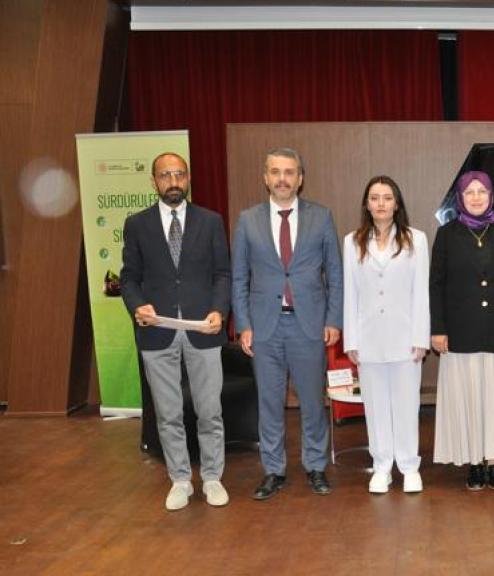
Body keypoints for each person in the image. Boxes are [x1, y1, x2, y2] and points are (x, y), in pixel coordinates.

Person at [120, 152, 231, 511]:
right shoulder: (137, 224)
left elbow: (223, 274)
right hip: (157, 331)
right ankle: (180, 480)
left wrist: (219, 310)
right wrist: (137, 306)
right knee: (168, 414)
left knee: (209, 411)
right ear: (153, 181)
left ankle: (212, 477)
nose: (173, 182)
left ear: (188, 178)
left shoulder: (210, 221)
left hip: (203, 328)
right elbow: (128, 278)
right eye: (165, 175)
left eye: (179, 174)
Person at [232, 147, 343, 499]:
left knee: (312, 402)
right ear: (265, 177)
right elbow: (239, 278)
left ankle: (315, 466)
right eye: (276, 172)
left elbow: (335, 274)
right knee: (269, 403)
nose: (283, 178)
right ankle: (273, 470)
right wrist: (243, 324)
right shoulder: (247, 220)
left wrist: (333, 319)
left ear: (300, 178)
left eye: (290, 172)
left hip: (309, 325)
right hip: (264, 327)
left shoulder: (321, 217)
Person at [430, 170, 494, 490]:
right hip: (461, 330)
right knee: (468, 397)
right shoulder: (447, 234)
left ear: (490, 196)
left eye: (481, 191)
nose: (476, 197)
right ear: (460, 197)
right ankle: (474, 460)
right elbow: (436, 285)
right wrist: (438, 329)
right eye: (469, 192)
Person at [342, 175, 430, 494]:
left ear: (396, 204)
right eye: (375, 198)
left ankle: (409, 467)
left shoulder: (415, 239)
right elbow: (350, 293)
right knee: (375, 406)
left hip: (405, 338)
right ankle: (381, 467)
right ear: (367, 204)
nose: (381, 204)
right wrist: (351, 340)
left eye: (387, 198)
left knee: (406, 405)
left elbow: (421, 292)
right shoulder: (352, 242)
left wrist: (420, 337)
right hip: (368, 339)